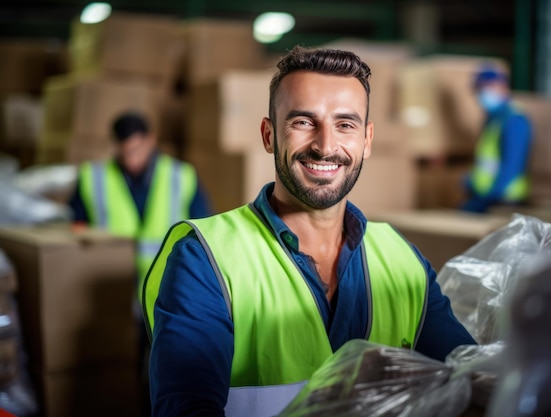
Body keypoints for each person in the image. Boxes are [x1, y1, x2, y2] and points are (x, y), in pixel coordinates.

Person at [142, 46, 476, 417]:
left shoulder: (401, 259)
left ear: (366, 141)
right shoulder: (205, 259)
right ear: (269, 136)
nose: (325, 146)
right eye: (303, 122)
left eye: (345, 125)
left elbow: (467, 382)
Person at [68, 111, 213, 416]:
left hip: (168, 288)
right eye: (123, 151)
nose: (130, 158)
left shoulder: (180, 176)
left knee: (163, 364)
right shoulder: (93, 178)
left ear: (151, 141)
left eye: (136, 149)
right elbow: (74, 229)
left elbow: (203, 229)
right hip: (112, 292)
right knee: (120, 367)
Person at [461, 64, 533, 213]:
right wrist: (472, 181)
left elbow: (513, 164)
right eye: (479, 89)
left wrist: (491, 196)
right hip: (486, 196)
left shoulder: (514, 120)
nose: (482, 94)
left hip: (505, 200)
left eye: (488, 87)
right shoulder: (493, 120)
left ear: (503, 87)